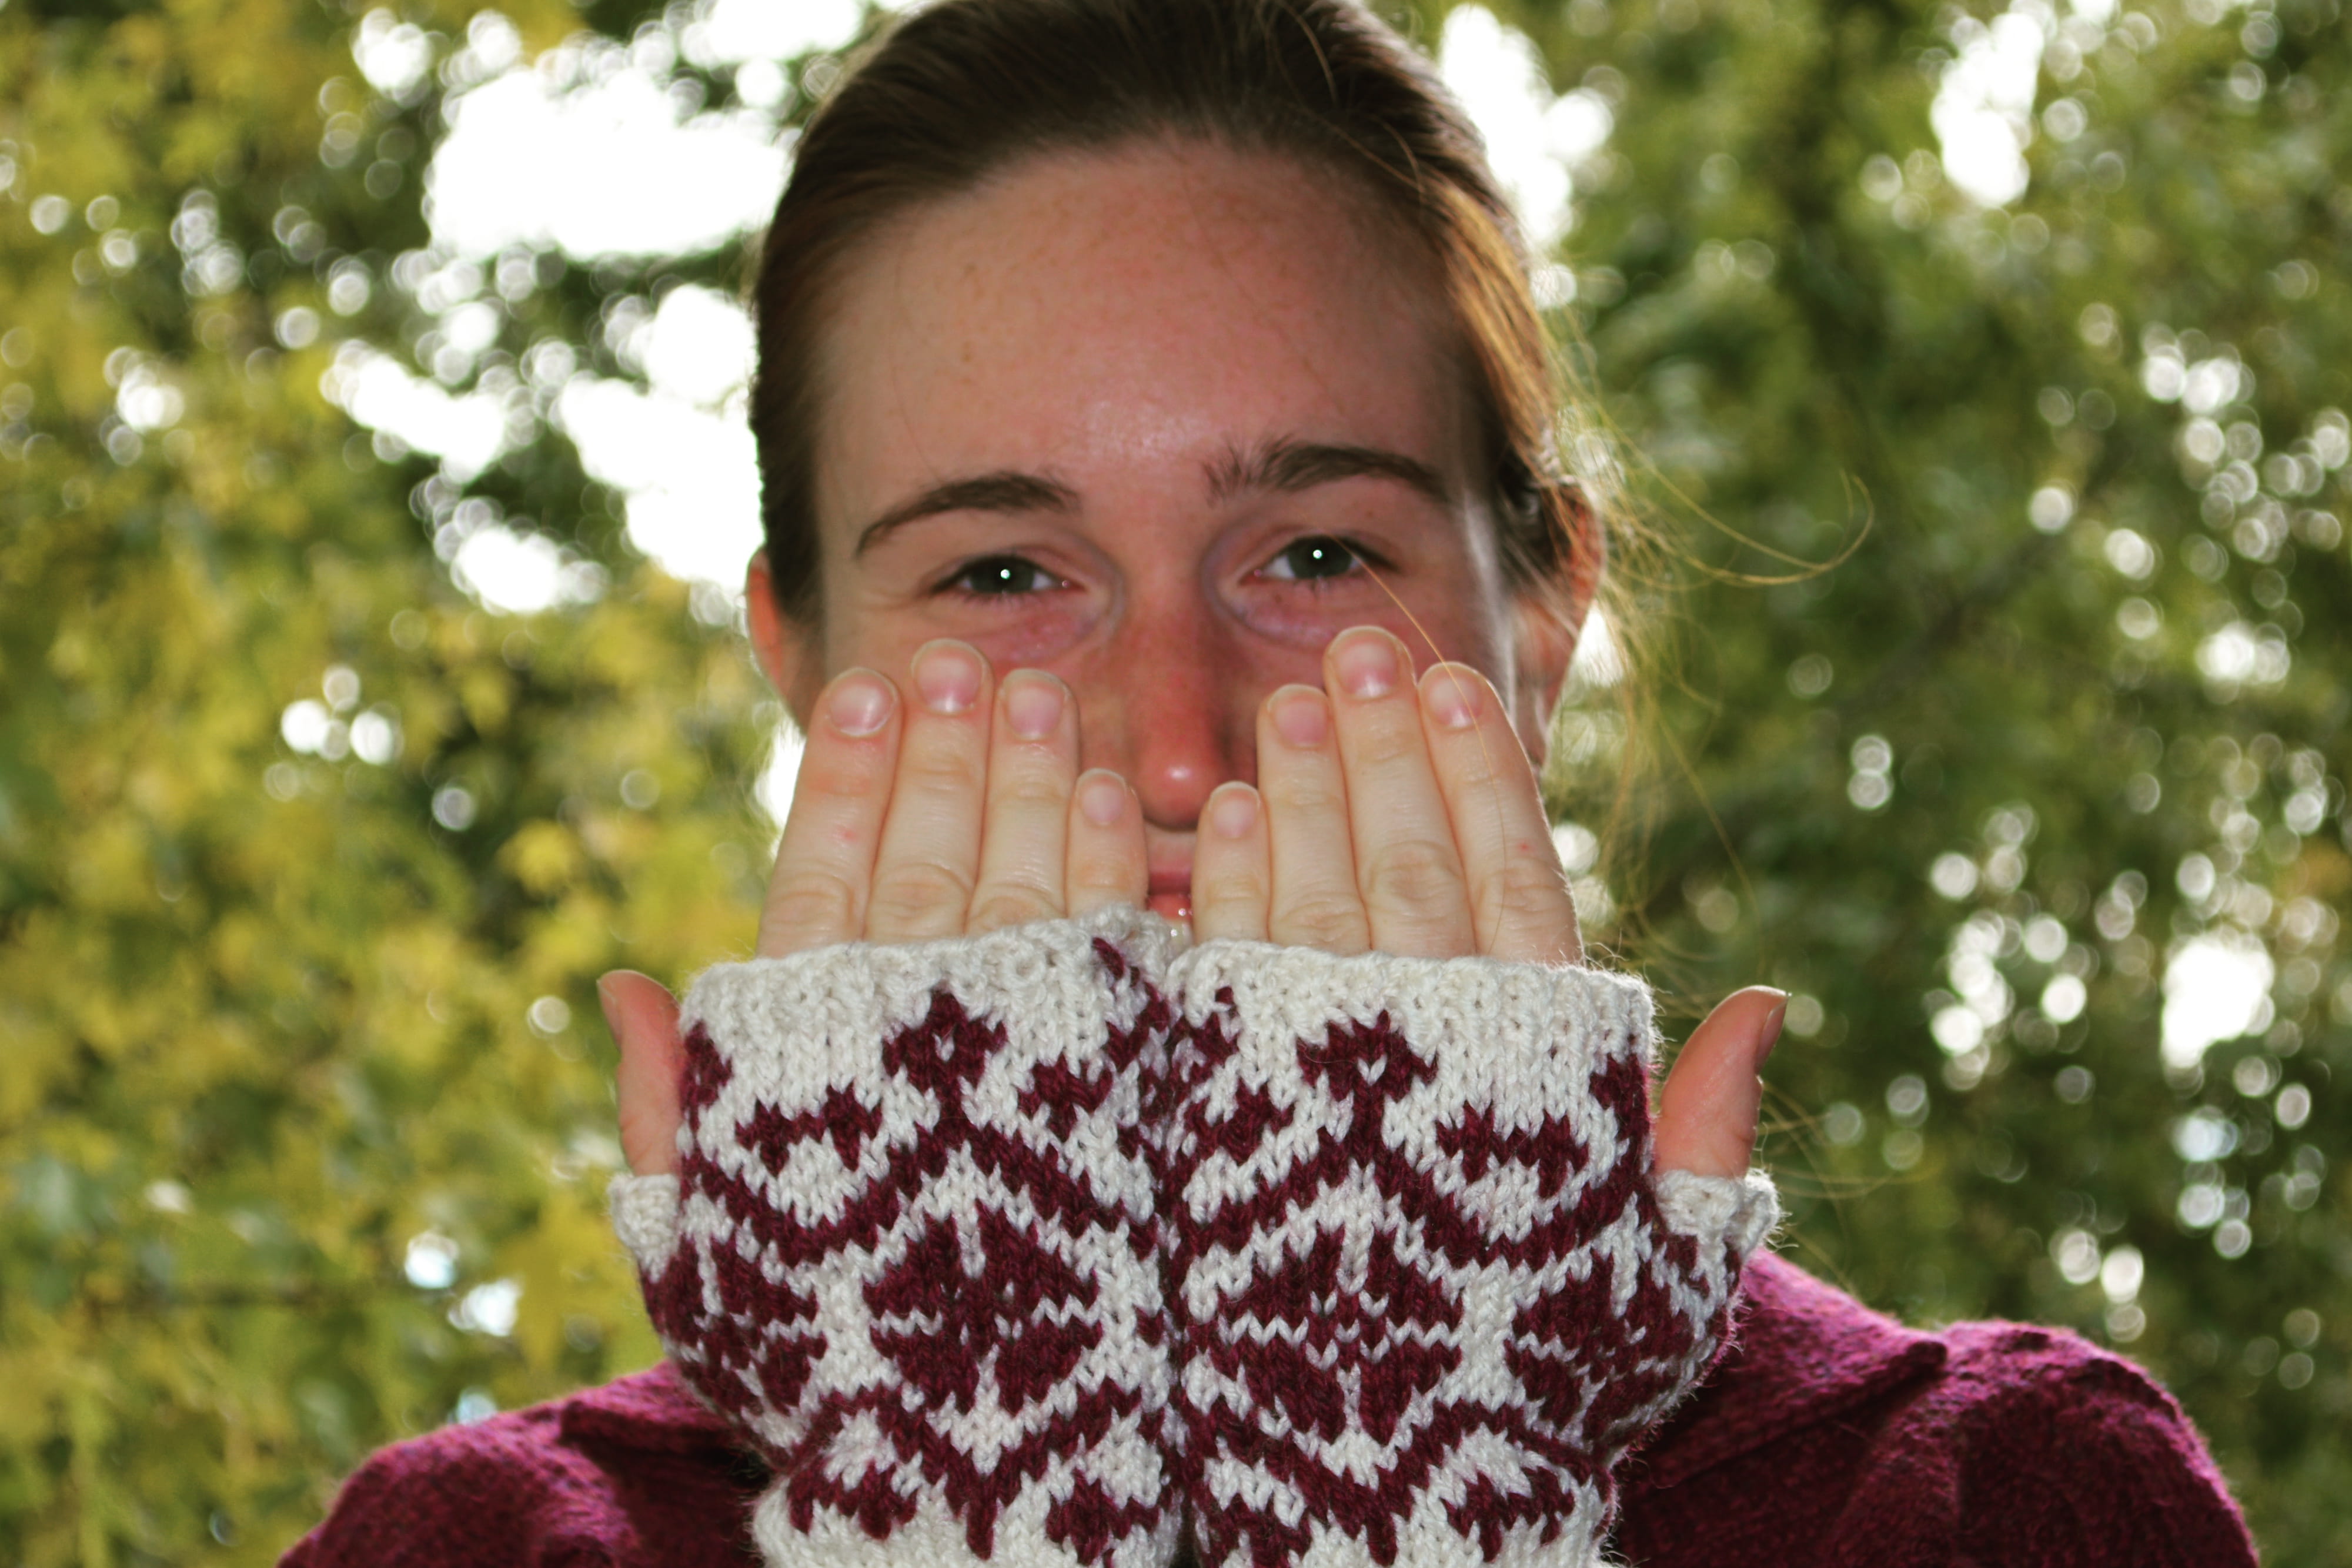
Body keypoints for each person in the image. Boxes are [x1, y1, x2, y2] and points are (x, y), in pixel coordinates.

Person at [282, 2, 2257, 1564]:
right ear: (798, 665)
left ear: (1546, 613)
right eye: (1000, 573)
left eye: (1317, 552)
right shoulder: (478, 1549)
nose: (1171, 738)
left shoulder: (2001, 1510)